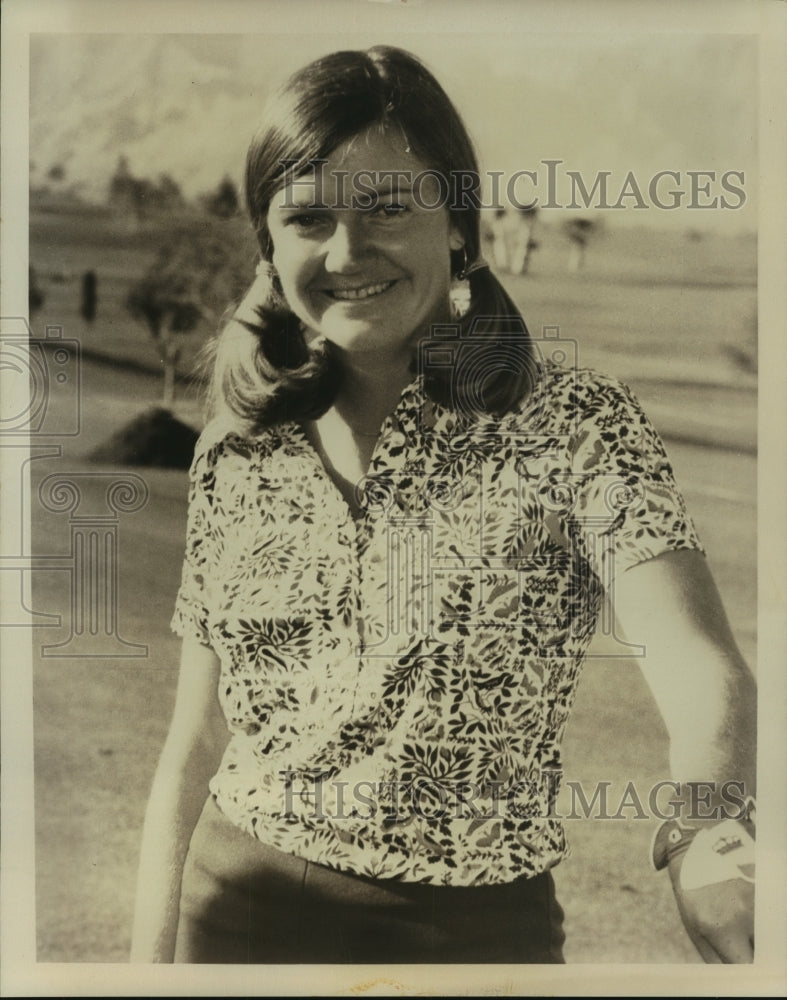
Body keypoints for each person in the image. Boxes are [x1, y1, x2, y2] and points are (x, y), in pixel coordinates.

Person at [131, 45, 756, 965]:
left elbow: (702, 671)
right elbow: (194, 743)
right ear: (270, 244)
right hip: (230, 922)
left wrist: (706, 836)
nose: (348, 253)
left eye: (388, 207)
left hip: (466, 942)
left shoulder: (576, 426)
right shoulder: (239, 450)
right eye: (307, 219)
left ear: (459, 226)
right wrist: (146, 969)